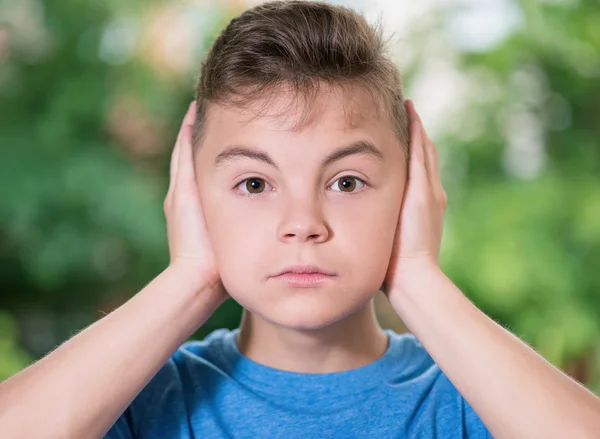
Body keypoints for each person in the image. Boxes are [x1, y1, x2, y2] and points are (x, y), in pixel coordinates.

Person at [1, 1, 600, 438]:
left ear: (414, 188)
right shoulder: (132, 400)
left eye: (345, 182)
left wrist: (419, 277)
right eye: (255, 183)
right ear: (192, 194)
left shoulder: (478, 400)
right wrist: (189, 276)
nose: (303, 223)